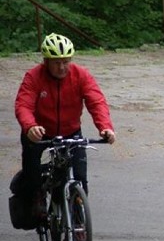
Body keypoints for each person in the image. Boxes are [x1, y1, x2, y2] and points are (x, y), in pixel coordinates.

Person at [14, 33, 116, 201]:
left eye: (66, 61)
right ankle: (37, 204)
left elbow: (97, 102)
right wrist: (30, 126)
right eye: (56, 63)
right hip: (39, 132)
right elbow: (23, 105)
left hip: (71, 132)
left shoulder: (81, 75)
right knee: (32, 178)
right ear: (46, 62)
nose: (62, 67)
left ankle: (78, 219)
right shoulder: (34, 77)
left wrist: (105, 127)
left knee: (80, 179)